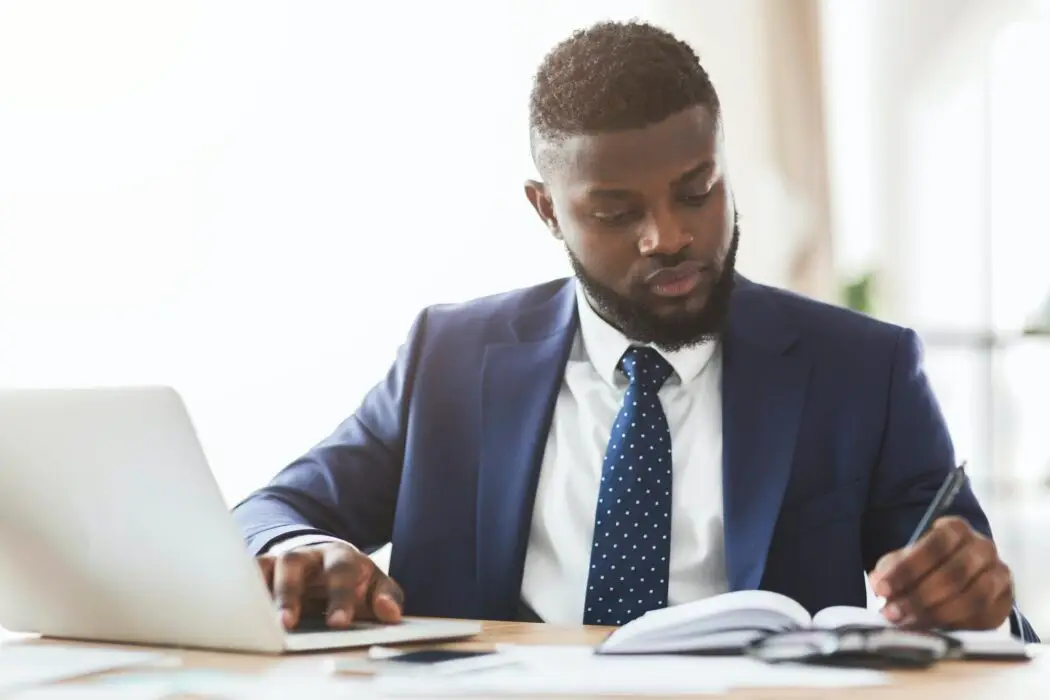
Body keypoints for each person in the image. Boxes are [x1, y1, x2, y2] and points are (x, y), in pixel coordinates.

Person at [233, 20, 1038, 641]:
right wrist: (301, 549)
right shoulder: (449, 358)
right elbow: (265, 512)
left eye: (698, 191)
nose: (669, 237)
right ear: (547, 209)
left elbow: (986, 608)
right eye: (617, 213)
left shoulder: (864, 370)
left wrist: (979, 603)